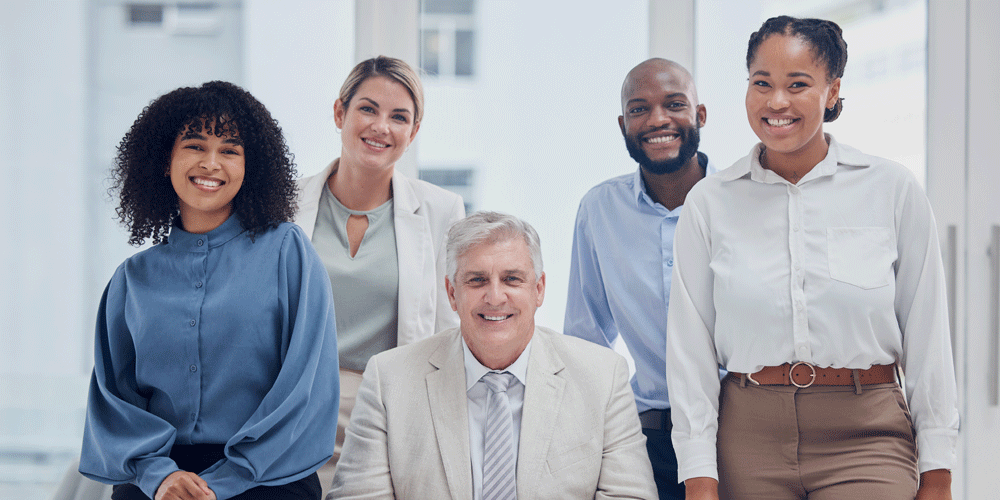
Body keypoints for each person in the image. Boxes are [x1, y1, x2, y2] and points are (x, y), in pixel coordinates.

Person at [665, 16, 959, 500]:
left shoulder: (891, 189)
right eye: (762, 83)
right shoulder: (710, 203)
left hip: (868, 433)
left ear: (832, 90)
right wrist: (699, 477)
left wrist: (938, 474)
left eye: (797, 84)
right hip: (748, 435)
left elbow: (928, 339)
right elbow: (690, 352)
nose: (776, 101)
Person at [79, 81, 340, 500]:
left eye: (230, 150)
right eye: (195, 146)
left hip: (267, 479)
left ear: (248, 166)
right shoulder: (132, 279)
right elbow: (114, 400)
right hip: (157, 485)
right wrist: (158, 475)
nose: (212, 163)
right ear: (166, 160)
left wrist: (224, 481)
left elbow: (306, 385)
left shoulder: (287, 252)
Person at [328, 211, 657, 499]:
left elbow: (629, 495)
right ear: (452, 293)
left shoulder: (602, 376)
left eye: (512, 279)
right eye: (477, 280)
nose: (495, 297)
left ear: (539, 289)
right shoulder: (389, 379)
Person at [293, 56, 465, 483]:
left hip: (387, 415)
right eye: (368, 109)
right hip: (292, 414)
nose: (381, 127)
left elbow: (447, 335)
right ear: (340, 112)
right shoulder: (284, 205)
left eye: (399, 117)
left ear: (413, 132)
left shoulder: (442, 211)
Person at [564, 57, 713, 500]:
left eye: (674, 104)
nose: (657, 120)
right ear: (623, 124)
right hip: (648, 440)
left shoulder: (740, 203)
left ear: (700, 115)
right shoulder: (599, 210)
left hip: (741, 433)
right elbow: (586, 340)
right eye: (639, 109)